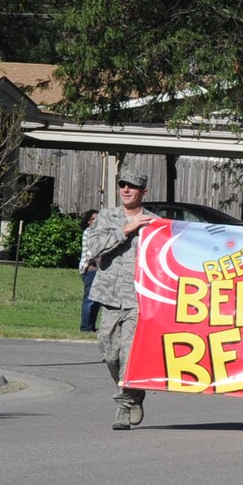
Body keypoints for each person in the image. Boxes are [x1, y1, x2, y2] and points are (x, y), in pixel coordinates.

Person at [80, 175, 159, 429]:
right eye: (122, 185)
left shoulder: (155, 223)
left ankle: (124, 408)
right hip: (110, 297)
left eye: (132, 186)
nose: (126, 189)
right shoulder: (106, 217)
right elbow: (95, 249)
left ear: (143, 191)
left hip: (139, 300)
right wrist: (126, 228)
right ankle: (135, 394)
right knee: (110, 354)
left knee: (129, 356)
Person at [78, 208, 101, 333]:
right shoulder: (89, 232)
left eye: (98, 219)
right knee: (90, 299)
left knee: (97, 300)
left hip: (100, 270)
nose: (96, 221)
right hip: (90, 269)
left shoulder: (102, 233)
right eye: (93, 219)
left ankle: (91, 326)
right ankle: (85, 327)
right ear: (88, 221)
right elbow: (93, 251)